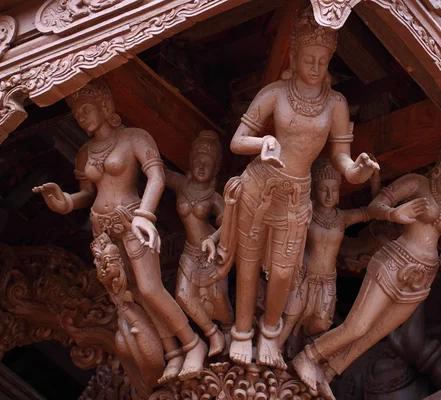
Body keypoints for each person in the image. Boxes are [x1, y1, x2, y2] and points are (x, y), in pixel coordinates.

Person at [211, 8, 379, 370]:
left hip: (297, 193)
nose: (316, 67)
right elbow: (238, 141)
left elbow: (341, 158)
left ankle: (270, 332)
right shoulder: (275, 94)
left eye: (322, 60)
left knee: (285, 272)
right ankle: (242, 331)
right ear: (295, 56)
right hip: (259, 185)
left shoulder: (335, 104)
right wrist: (264, 143)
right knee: (249, 262)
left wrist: (357, 172)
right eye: (308, 59)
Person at [32, 80, 206, 384]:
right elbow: (87, 194)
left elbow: (156, 176)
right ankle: (172, 353)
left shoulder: (134, 137)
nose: (81, 117)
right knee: (133, 294)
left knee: (151, 288)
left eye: (86, 109)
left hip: (131, 220)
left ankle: (193, 343)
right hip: (102, 232)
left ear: (104, 106)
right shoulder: (85, 153)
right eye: (76, 114)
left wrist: (145, 215)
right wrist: (64, 202)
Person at [292, 133, 441, 398]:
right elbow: (377, 205)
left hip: (421, 280)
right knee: (358, 326)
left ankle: (328, 372)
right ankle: (309, 356)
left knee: (373, 335)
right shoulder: (417, 183)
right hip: (394, 263)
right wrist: (395, 214)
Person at [278, 158, 376, 351]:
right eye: (324, 189)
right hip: (303, 275)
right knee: (290, 317)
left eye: (334, 189)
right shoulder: (307, 212)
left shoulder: (343, 217)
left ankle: (303, 357)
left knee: (321, 325)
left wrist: (375, 181)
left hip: (327, 281)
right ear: (315, 190)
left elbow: (371, 211)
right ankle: (274, 349)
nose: (330, 195)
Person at [164, 130, 233, 358]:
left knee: (219, 298)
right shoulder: (181, 183)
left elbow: (228, 225)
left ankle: (229, 328)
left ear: (215, 169)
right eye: (197, 162)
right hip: (190, 251)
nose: (201, 167)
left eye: (207, 163)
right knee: (183, 296)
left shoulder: (214, 197)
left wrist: (214, 241)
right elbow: (158, 171)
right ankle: (212, 334)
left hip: (210, 252)